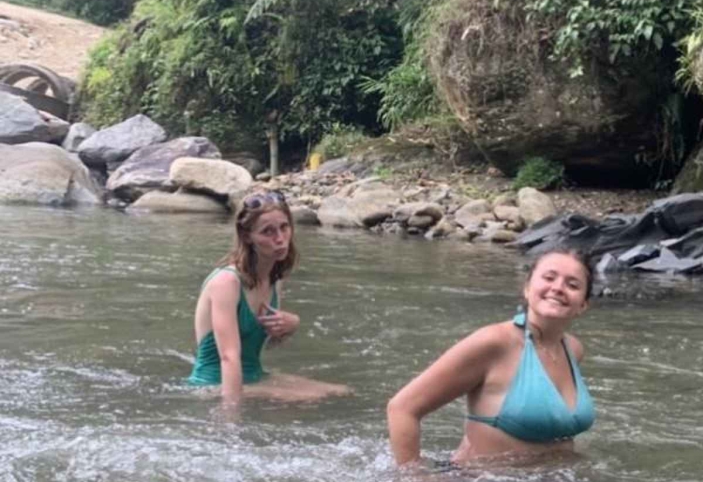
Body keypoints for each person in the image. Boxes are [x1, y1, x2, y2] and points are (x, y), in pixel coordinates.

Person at [386, 249, 596, 467]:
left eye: (572, 285)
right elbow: (402, 408)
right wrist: (415, 479)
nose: (558, 288)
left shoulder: (573, 349)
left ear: (583, 304)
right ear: (527, 288)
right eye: (549, 278)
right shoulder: (494, 342)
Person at [188, 190, 350, 409]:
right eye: (268, 232)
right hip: (214, 384)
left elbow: (272, 343)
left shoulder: (274, 279)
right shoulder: (226, 283)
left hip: (255, 375)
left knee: (342, 392)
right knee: (310, 399)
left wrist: (291, 325)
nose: (280, 239)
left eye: (284, 227)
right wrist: (231, 416)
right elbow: (229, 357)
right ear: (247, 236)